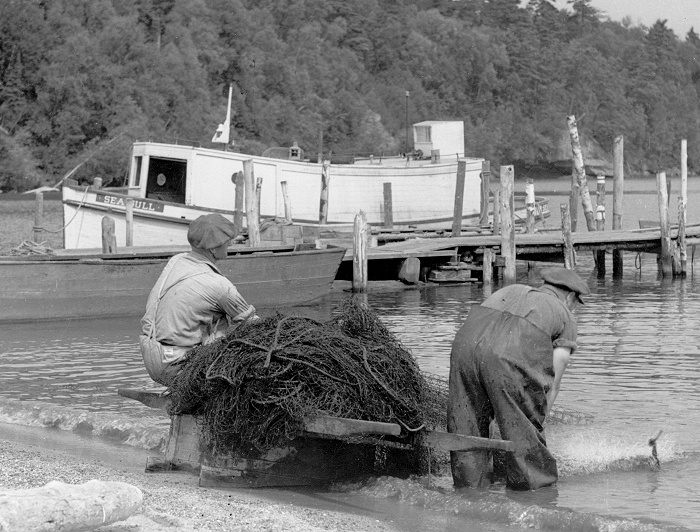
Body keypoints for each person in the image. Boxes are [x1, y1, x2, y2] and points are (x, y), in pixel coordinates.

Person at [447, 267, 589, 491]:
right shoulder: (564, 314)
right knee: (524, 437)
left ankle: (468, 494)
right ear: (570, 296)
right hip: (507, 356)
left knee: (467, 426)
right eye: (575, 303)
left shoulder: (509, 290)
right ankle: (533, 498)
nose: (573, 309)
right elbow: (554, 382)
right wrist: (537, 423)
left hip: (464, 347)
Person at [139, 213, 258, 386]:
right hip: (176, 364)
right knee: (233, 331)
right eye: (226, 241)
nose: (230, 244)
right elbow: (252, 323)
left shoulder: (177, 260)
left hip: (152, 355)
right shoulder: (220, 286)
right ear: (212, 249)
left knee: (210, 318)